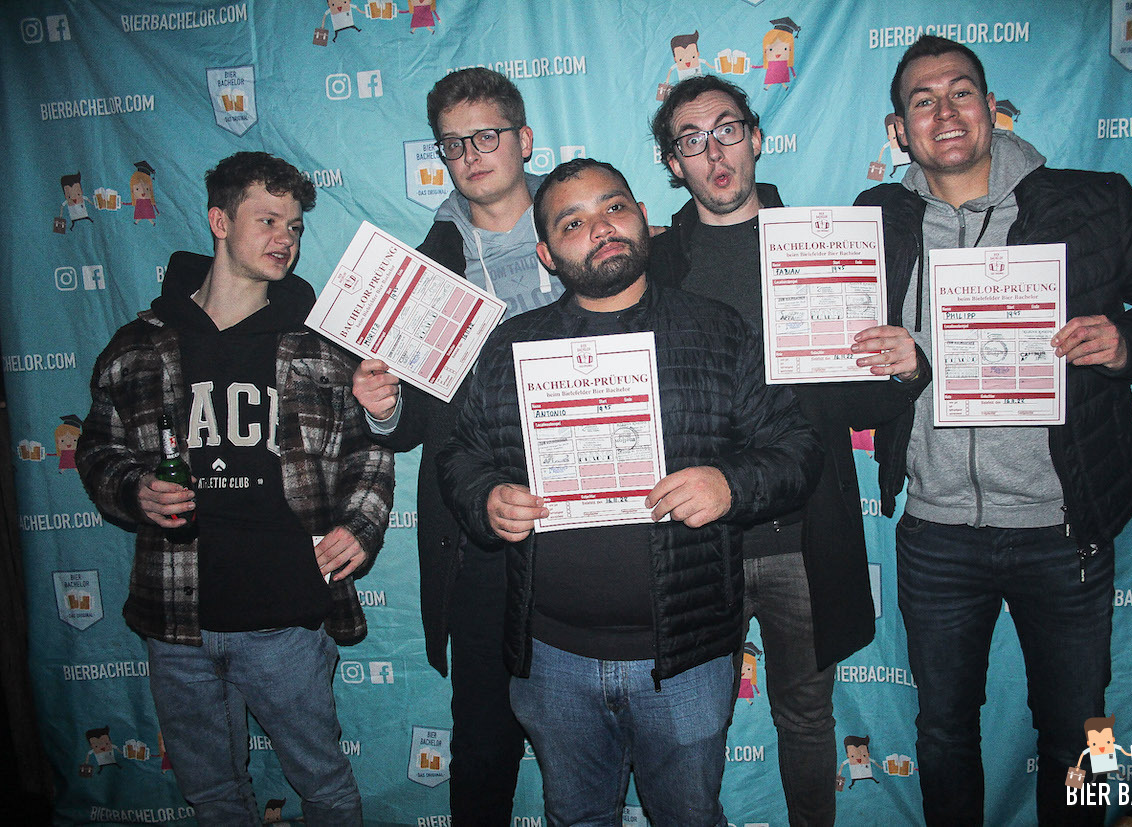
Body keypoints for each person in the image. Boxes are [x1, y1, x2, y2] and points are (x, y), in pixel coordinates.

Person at [856, 35, 1132, 826]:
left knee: (1078, 734)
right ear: (899, 130)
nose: (945, 112)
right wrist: (894, 366)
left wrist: (1128, 341)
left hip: (1063, 528)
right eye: (923, 100)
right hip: (937, 532)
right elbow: (846, 357)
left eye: (962, 92)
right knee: (942, 733)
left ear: (992, 109)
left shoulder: (1089, 203)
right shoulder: (876, 221)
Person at [438, 158, 823, 825]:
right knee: (576, 818)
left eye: (613, 207)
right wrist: (487, 497)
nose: (601, 228)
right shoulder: (511, 345)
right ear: (547, 254)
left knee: (689, 817)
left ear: (642, 217)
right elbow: (459, 454)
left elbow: (798, 449)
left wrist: (730, 484)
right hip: (551, 655)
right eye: (573, 222)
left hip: (686, 655)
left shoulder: (719, 330)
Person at [78, 151, 394, 824]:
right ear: (219, 221)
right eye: (268, 220)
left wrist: (359, 526)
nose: (286, 238)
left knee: (326, 787)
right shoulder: (139, 344)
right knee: (213, 796)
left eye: (296, 226)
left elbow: (370, 449)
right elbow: (97, 448)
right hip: (176, 618)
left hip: (287, 616)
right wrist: (135, 489)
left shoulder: (320, 345)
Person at [648, 74, 929, 826]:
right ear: (674, 163)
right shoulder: (654, 264)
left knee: (806, 717)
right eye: (692, 140)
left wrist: (905, 368)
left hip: (805, 531)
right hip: (698, 538)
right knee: (692, 724)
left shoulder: (823, 249)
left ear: (757, 138)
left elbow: (861, 405)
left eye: (727, 130)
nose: (714, 153)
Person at [350, 67, 561, 825]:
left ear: (523, 139)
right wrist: (382, 406)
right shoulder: (426, 263)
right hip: (480, 530)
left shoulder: (582, 222)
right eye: (452, 144)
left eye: (486, 136)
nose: (470, 155)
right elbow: (410, 424)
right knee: (482, 737)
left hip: (590, 517)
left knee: (603, 731)